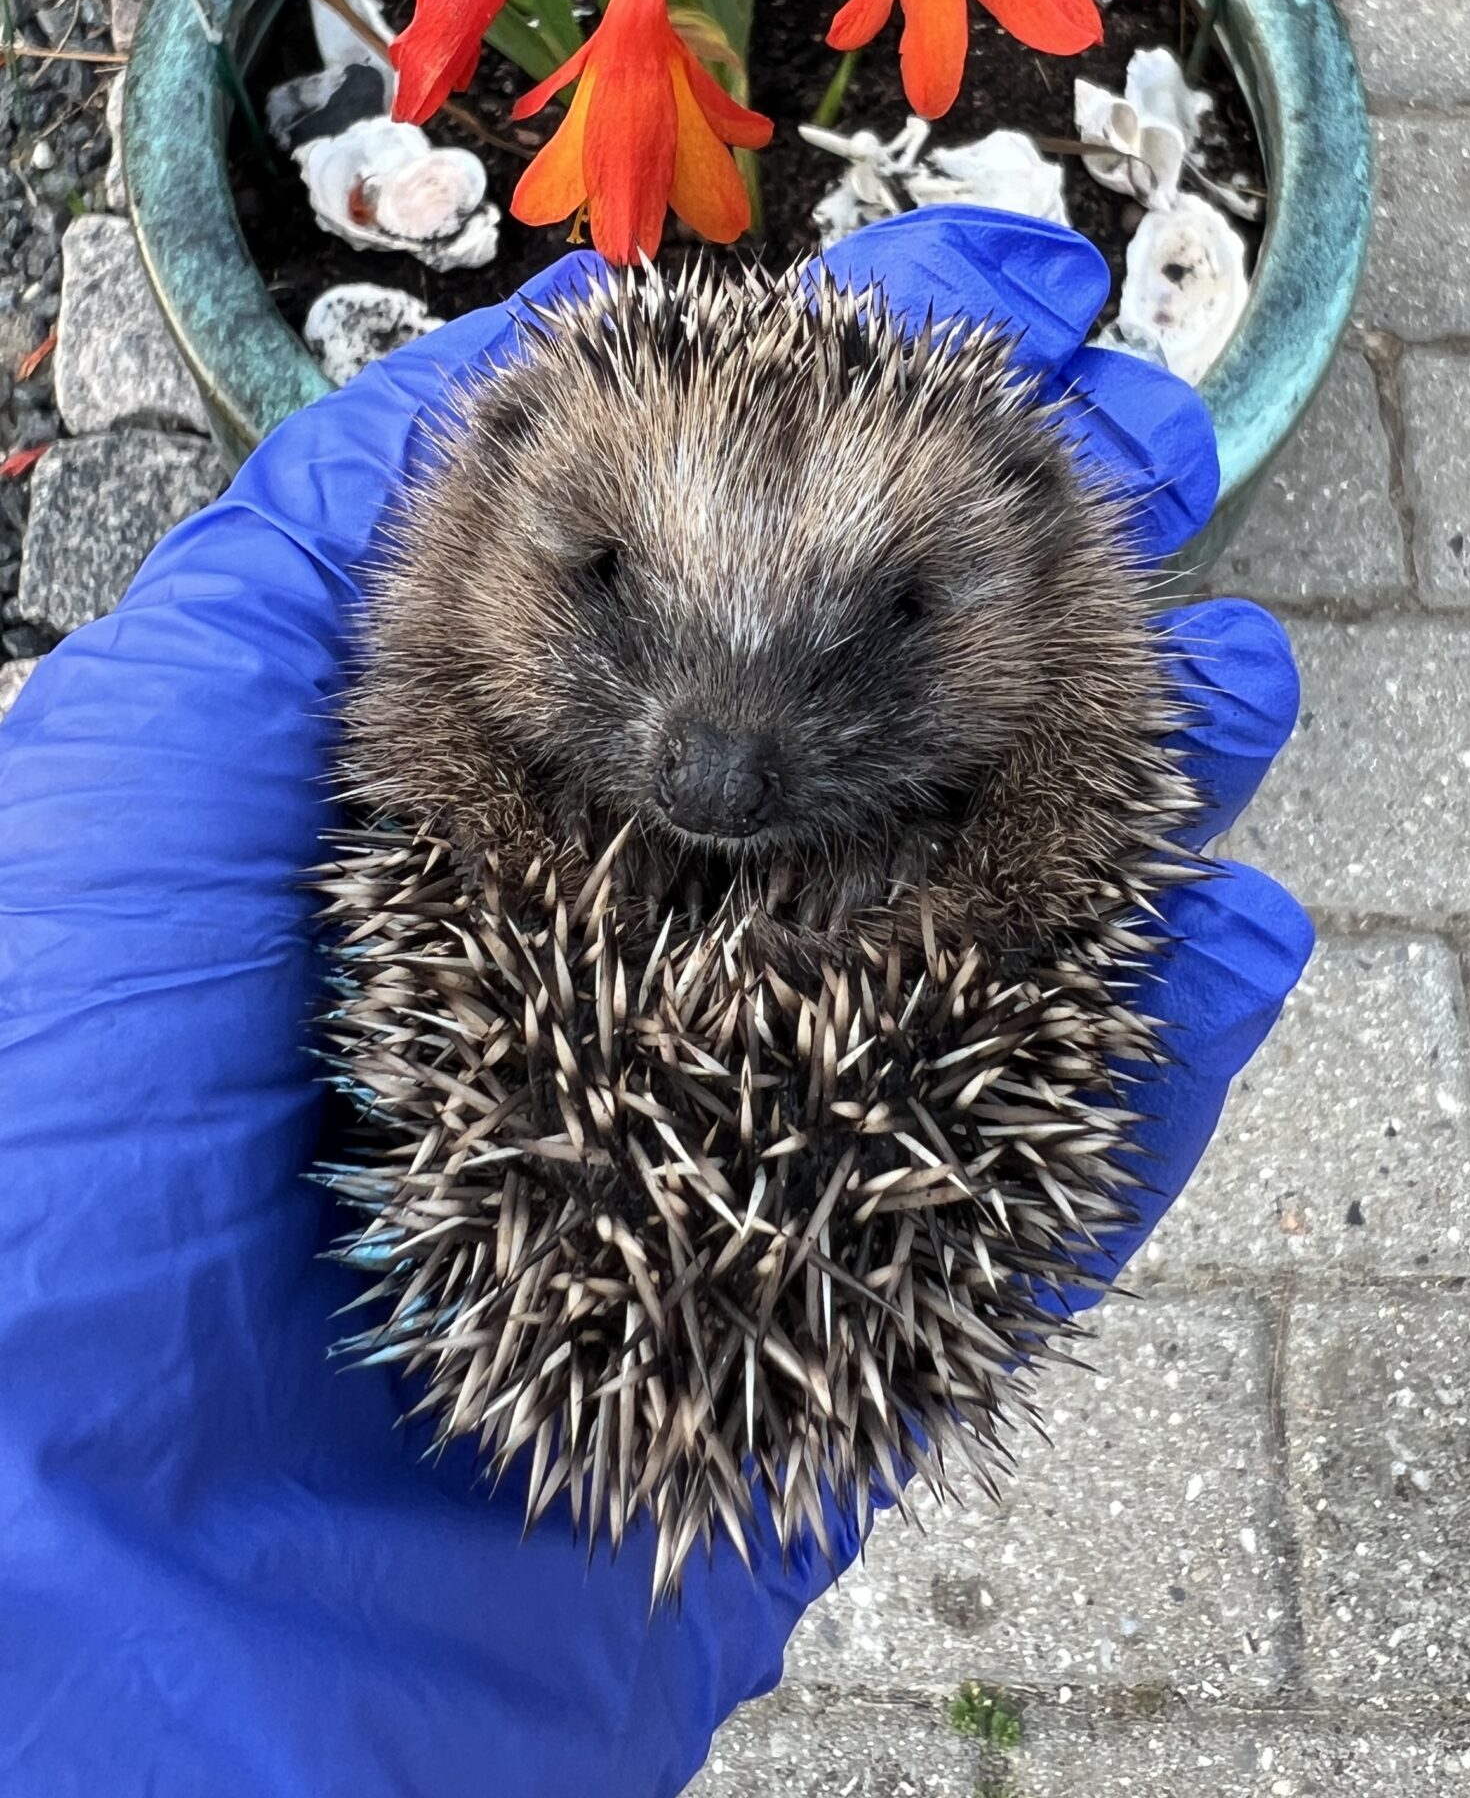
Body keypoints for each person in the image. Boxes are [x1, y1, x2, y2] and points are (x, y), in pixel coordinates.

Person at [0, 208, 1310, 1798]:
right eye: (614, 583)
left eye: (891, 623)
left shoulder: (1035, 645)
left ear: (1029, 556)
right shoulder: (494, 604)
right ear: (504, 505)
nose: (725, 759)